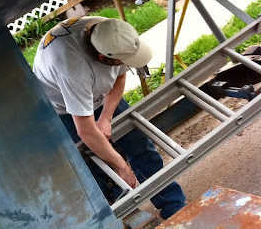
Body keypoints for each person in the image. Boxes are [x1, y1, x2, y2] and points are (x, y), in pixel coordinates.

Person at [33, 16, 185, 219]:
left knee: (139, 144)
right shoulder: (73, 69)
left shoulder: (113, 33)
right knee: (96, 163)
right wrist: (121, 166)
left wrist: (105, 116)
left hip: (95, 91)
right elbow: (86, 131)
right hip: (64, 107)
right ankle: (127, 215)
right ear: (102, 57)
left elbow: (120, 75)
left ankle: (172, 205)